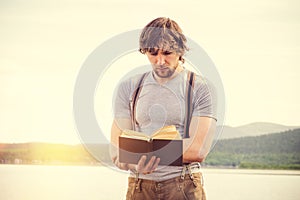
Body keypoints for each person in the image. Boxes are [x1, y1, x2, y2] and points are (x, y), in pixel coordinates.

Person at [111, 17, 217, 200]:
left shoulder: (200, 87)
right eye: (153, 53)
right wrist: (135, 165)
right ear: (144, 51)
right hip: (140, 187)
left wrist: (143, 154)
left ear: (180, 51)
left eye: (167, 53)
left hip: (183, 186)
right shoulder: (128, 88)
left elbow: (198, 150)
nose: (160, 61)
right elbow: (116, 151)